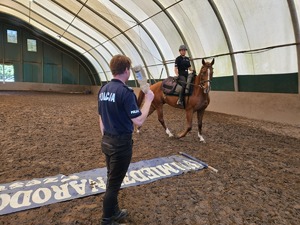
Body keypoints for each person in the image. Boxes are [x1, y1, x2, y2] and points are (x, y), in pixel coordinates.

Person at [98, 54, 154, 225]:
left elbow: (100, 116)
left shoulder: (103, 89)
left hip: (107, 141)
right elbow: (139, 120)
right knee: (114, 185)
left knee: (112, 178)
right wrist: (149, 100)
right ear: (127, 71)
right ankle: (107, 219)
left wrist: (106, 136)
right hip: (121, 144)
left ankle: (114, 211)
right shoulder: (125, 92)